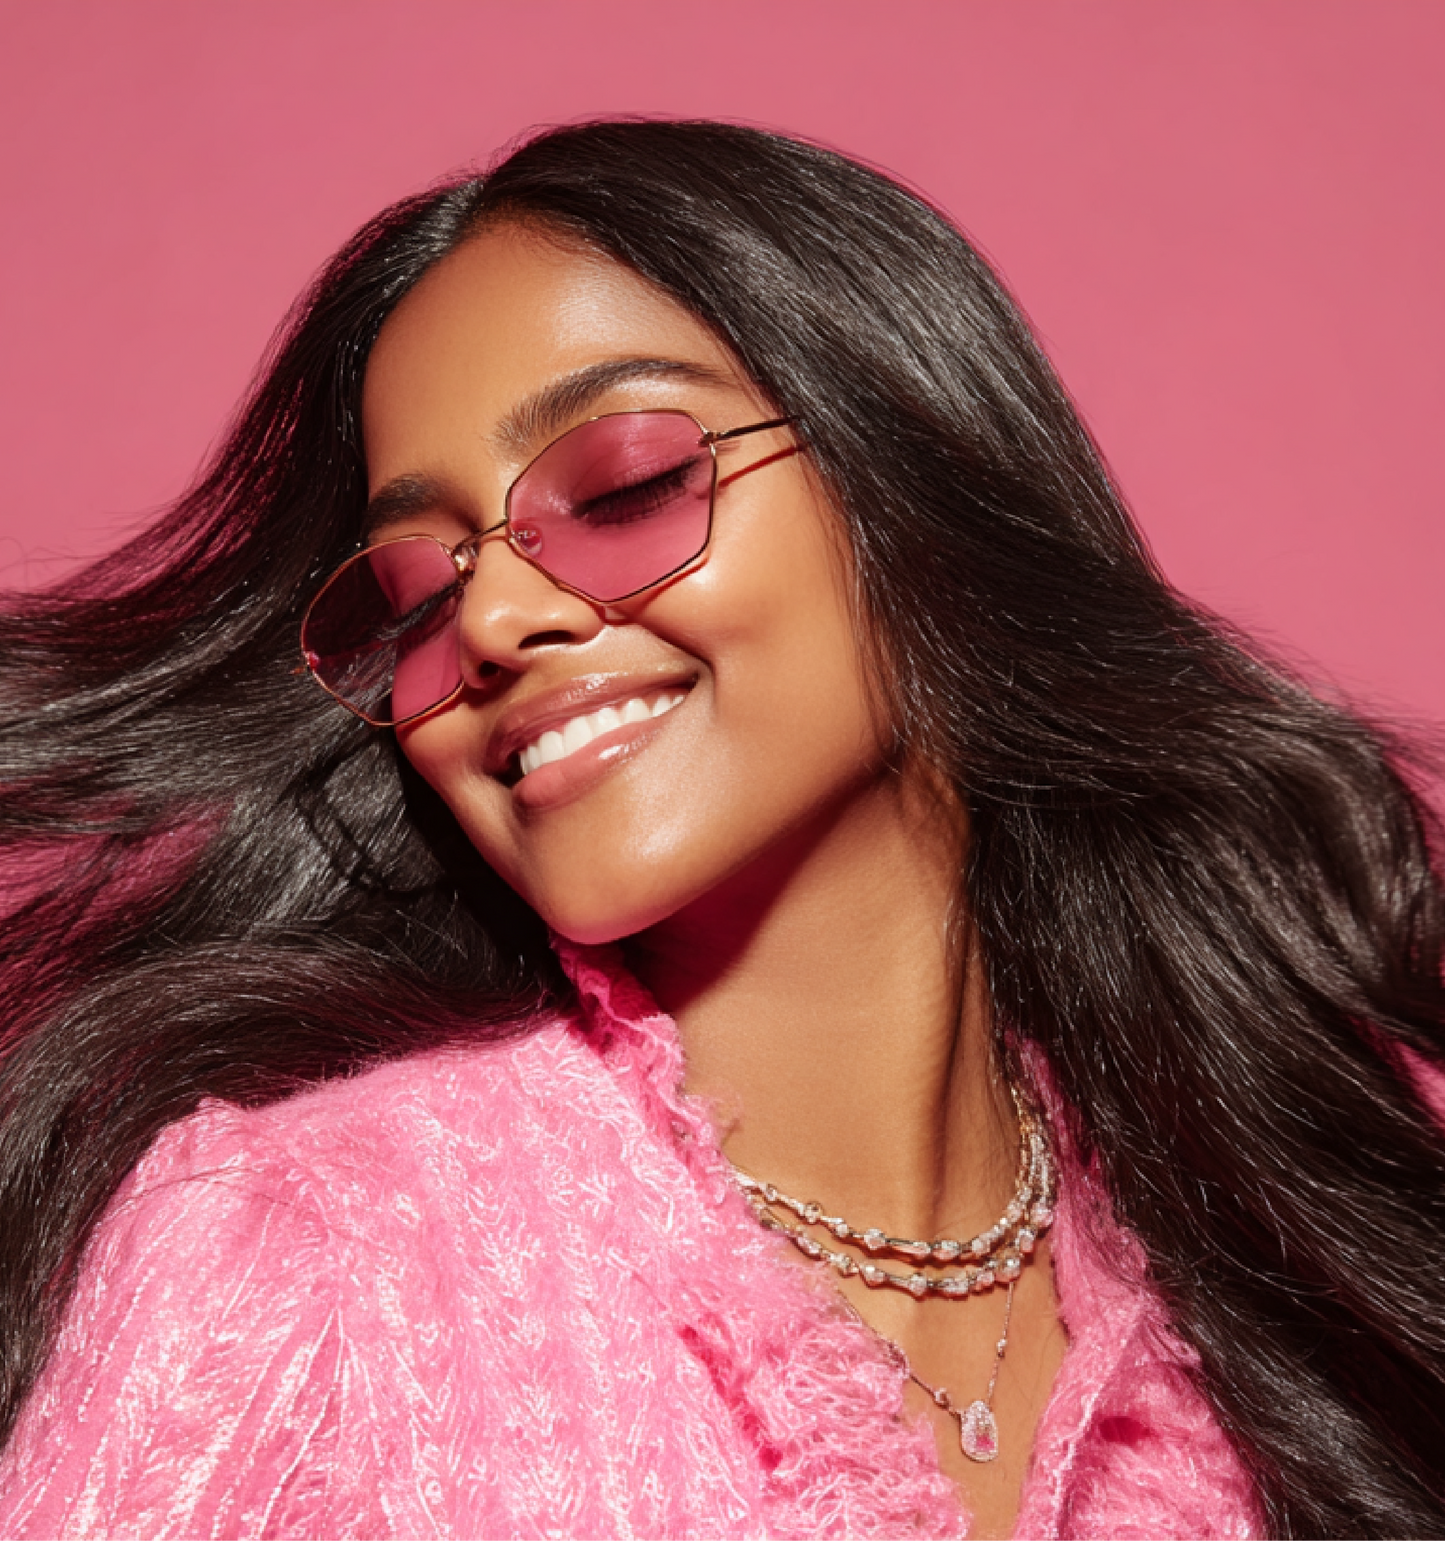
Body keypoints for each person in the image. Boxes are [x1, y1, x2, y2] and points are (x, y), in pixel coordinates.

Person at [0, 119, 1441, 1540]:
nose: (494, 621)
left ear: (912, 481)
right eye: (417, 595)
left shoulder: (1270, 1272)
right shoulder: (312, 1253)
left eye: (621, 488)